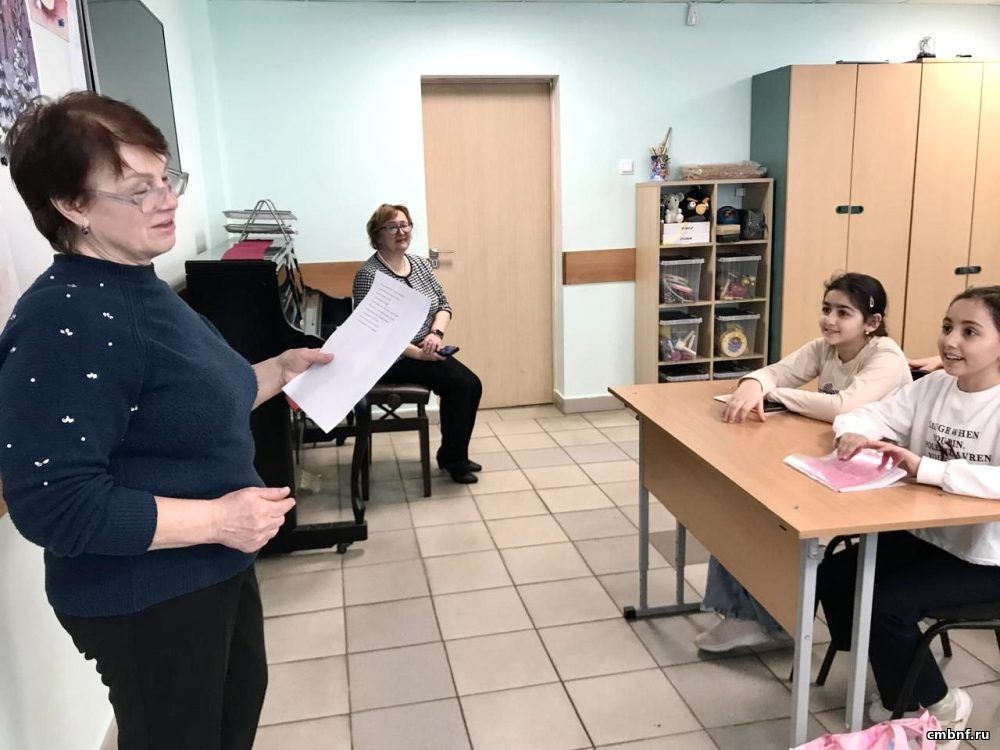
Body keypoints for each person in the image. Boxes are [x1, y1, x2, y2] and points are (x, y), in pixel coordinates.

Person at [0, 93, 331, 750]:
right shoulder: (66, 318)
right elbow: (55, 504)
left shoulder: (139, 286)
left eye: (167, 177)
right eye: (138, 189)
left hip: (213, 570)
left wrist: (279, 370)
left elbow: (186, 406)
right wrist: (219, 520)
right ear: (72, 205)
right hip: (147, 596)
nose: (167, 199)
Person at [821, 285, 1000, 748]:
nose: (950, 341)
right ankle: (896, 678)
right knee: (836, 575)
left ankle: (944, 708)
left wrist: (928, 469)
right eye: (947, 326)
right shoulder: (934, 386)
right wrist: (852, 433)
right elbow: (867, 416)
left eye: (970, 332)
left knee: (886, 604)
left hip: (987, 556)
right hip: (933, 536)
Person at [696, 273, 913, 652]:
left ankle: (767, 620)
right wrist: (753, 384)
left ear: (872, 323)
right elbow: (775, 372)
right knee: (742, 499)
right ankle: (752, 616)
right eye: (827, 309)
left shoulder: (886, 358)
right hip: (840, 458)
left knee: (764, 509)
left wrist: (775, 394)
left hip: (882, 480)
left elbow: (844, 406)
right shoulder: (824, 348)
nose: (830, 320)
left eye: (843, 313)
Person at [353, 203, 483, 484]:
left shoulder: (420, 264)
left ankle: (452, 453)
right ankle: (453, 459)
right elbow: (375, 333)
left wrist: (435, 335)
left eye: (404, 225)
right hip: (392, 358)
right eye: (392, 227)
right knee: (460, 384)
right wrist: (419, 354)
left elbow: (444, 305)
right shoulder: (369, 275)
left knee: (473, 384)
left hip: (426, 346)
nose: (401, 231)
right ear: (377, 235)